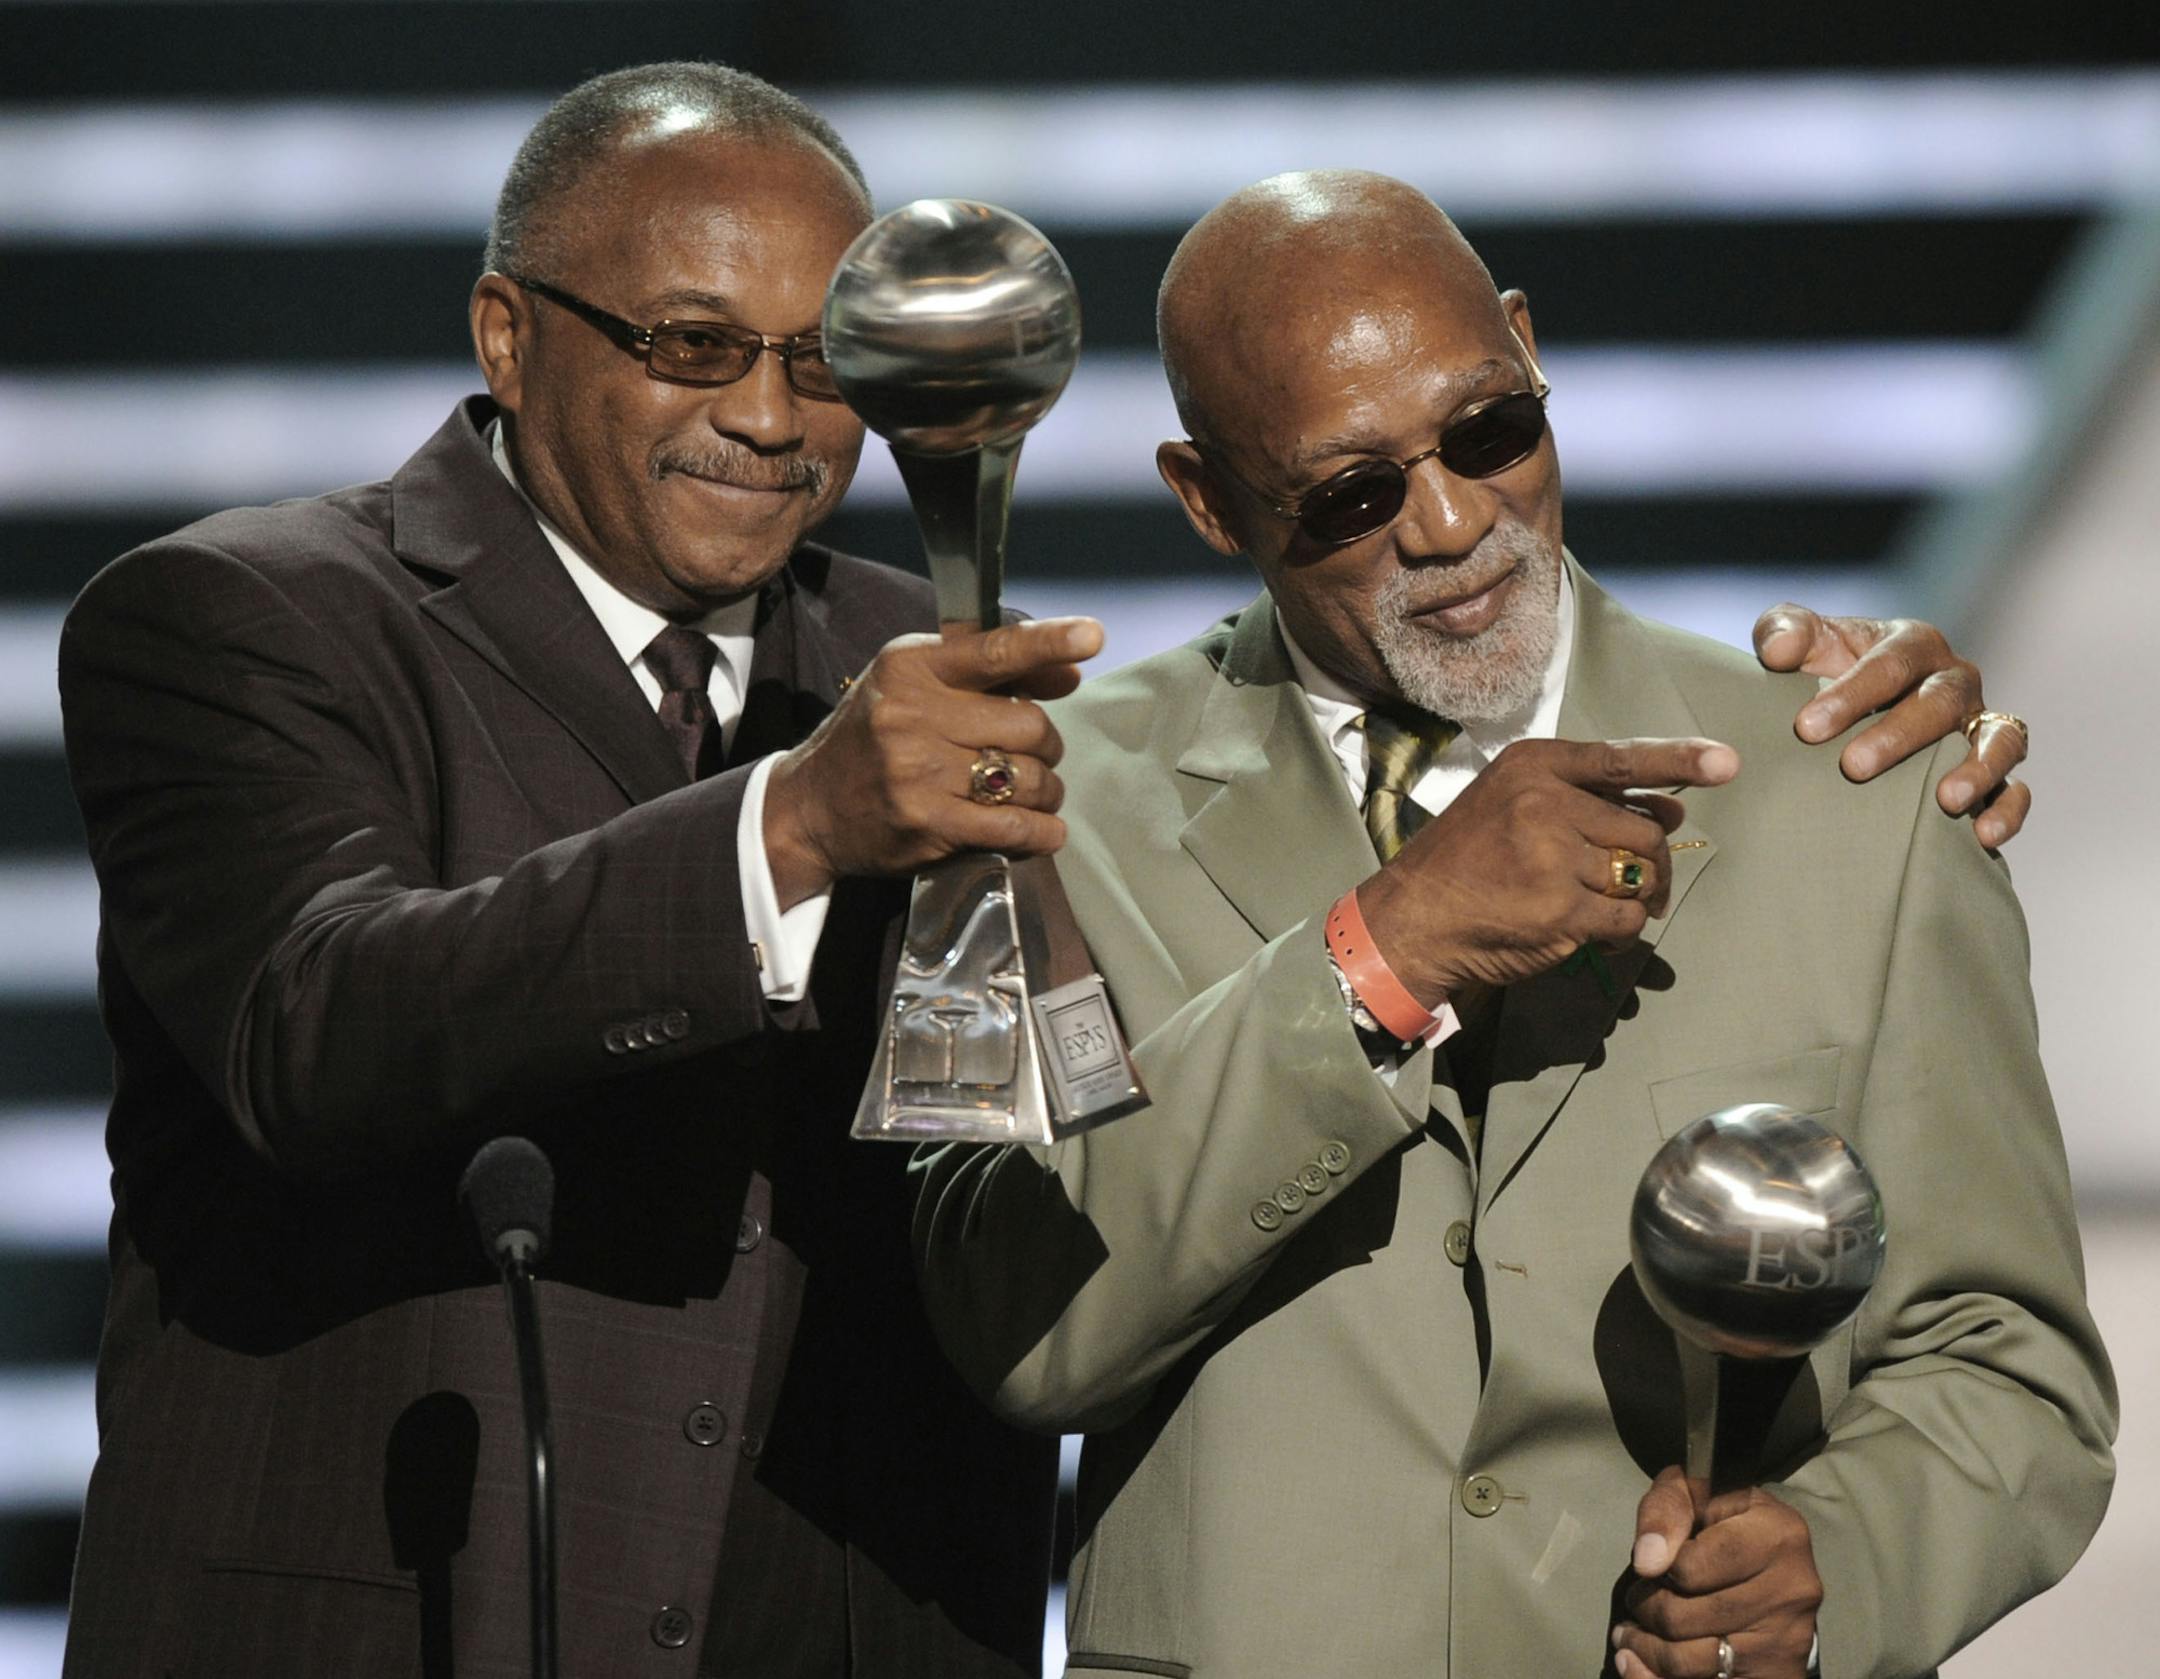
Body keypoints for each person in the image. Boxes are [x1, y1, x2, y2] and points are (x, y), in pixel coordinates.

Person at [55, 57, 2023, 1678]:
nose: (763, 413)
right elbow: (314, 1030)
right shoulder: (241, 618)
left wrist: (1842, 1552)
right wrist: (804, 829)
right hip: (405, 1618)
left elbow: (1999, 1358)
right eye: (686, 344)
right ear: (508, 328)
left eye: (816, 358)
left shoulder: (944, 676)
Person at [911, 170, 2112, 1679]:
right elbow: (1020, 1322)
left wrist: (1836, 1570)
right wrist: (1379, 957)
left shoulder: (1858, 782)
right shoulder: (1041, 805)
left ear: (1533, 352)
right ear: (1209, 498)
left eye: (1491, 431)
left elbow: (2007, 1363)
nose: (1452, 521)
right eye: (1349, 494)